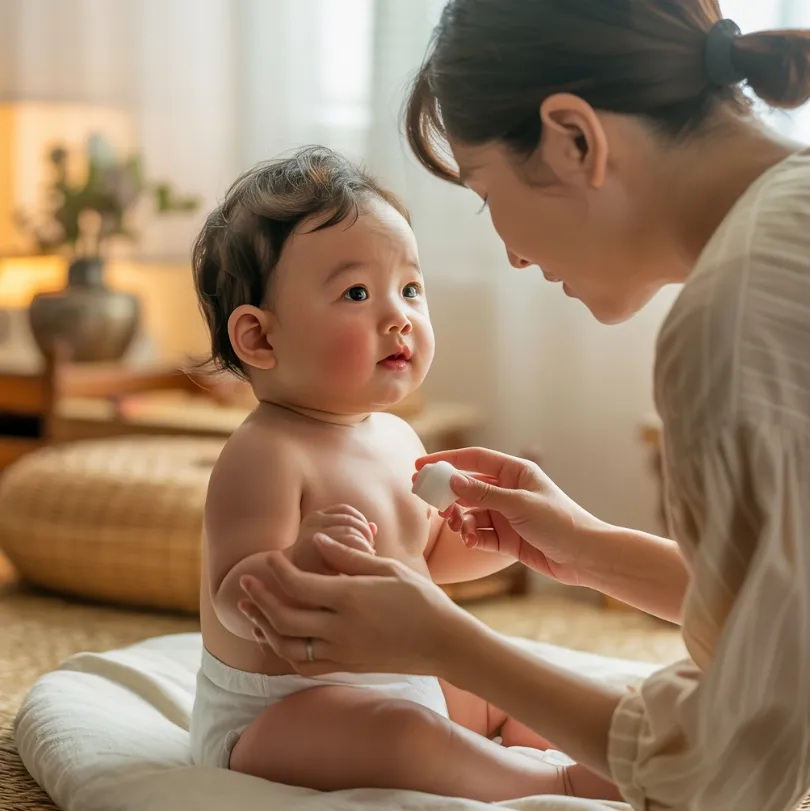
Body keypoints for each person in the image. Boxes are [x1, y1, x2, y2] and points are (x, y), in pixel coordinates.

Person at [237, 2, 810, 810]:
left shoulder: (734, 325)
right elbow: (786, 620)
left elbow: (737, 766)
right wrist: (585, 547)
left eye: (483, 189)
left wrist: (443, 641)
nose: (509, 250)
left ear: (574, 138)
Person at [187, 145, 618, 802]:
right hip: (284, 712)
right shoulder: (266, 452)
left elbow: (426, 559)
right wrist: (297, 567)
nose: (400, 315)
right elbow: (230, 595)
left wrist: (491, 536)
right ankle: (551, 780)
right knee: (403, 736)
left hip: (407, 673)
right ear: (260, 339)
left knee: (514, 681)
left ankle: (581, 750)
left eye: (410, 288)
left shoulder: (397, 437)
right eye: (358, 292)